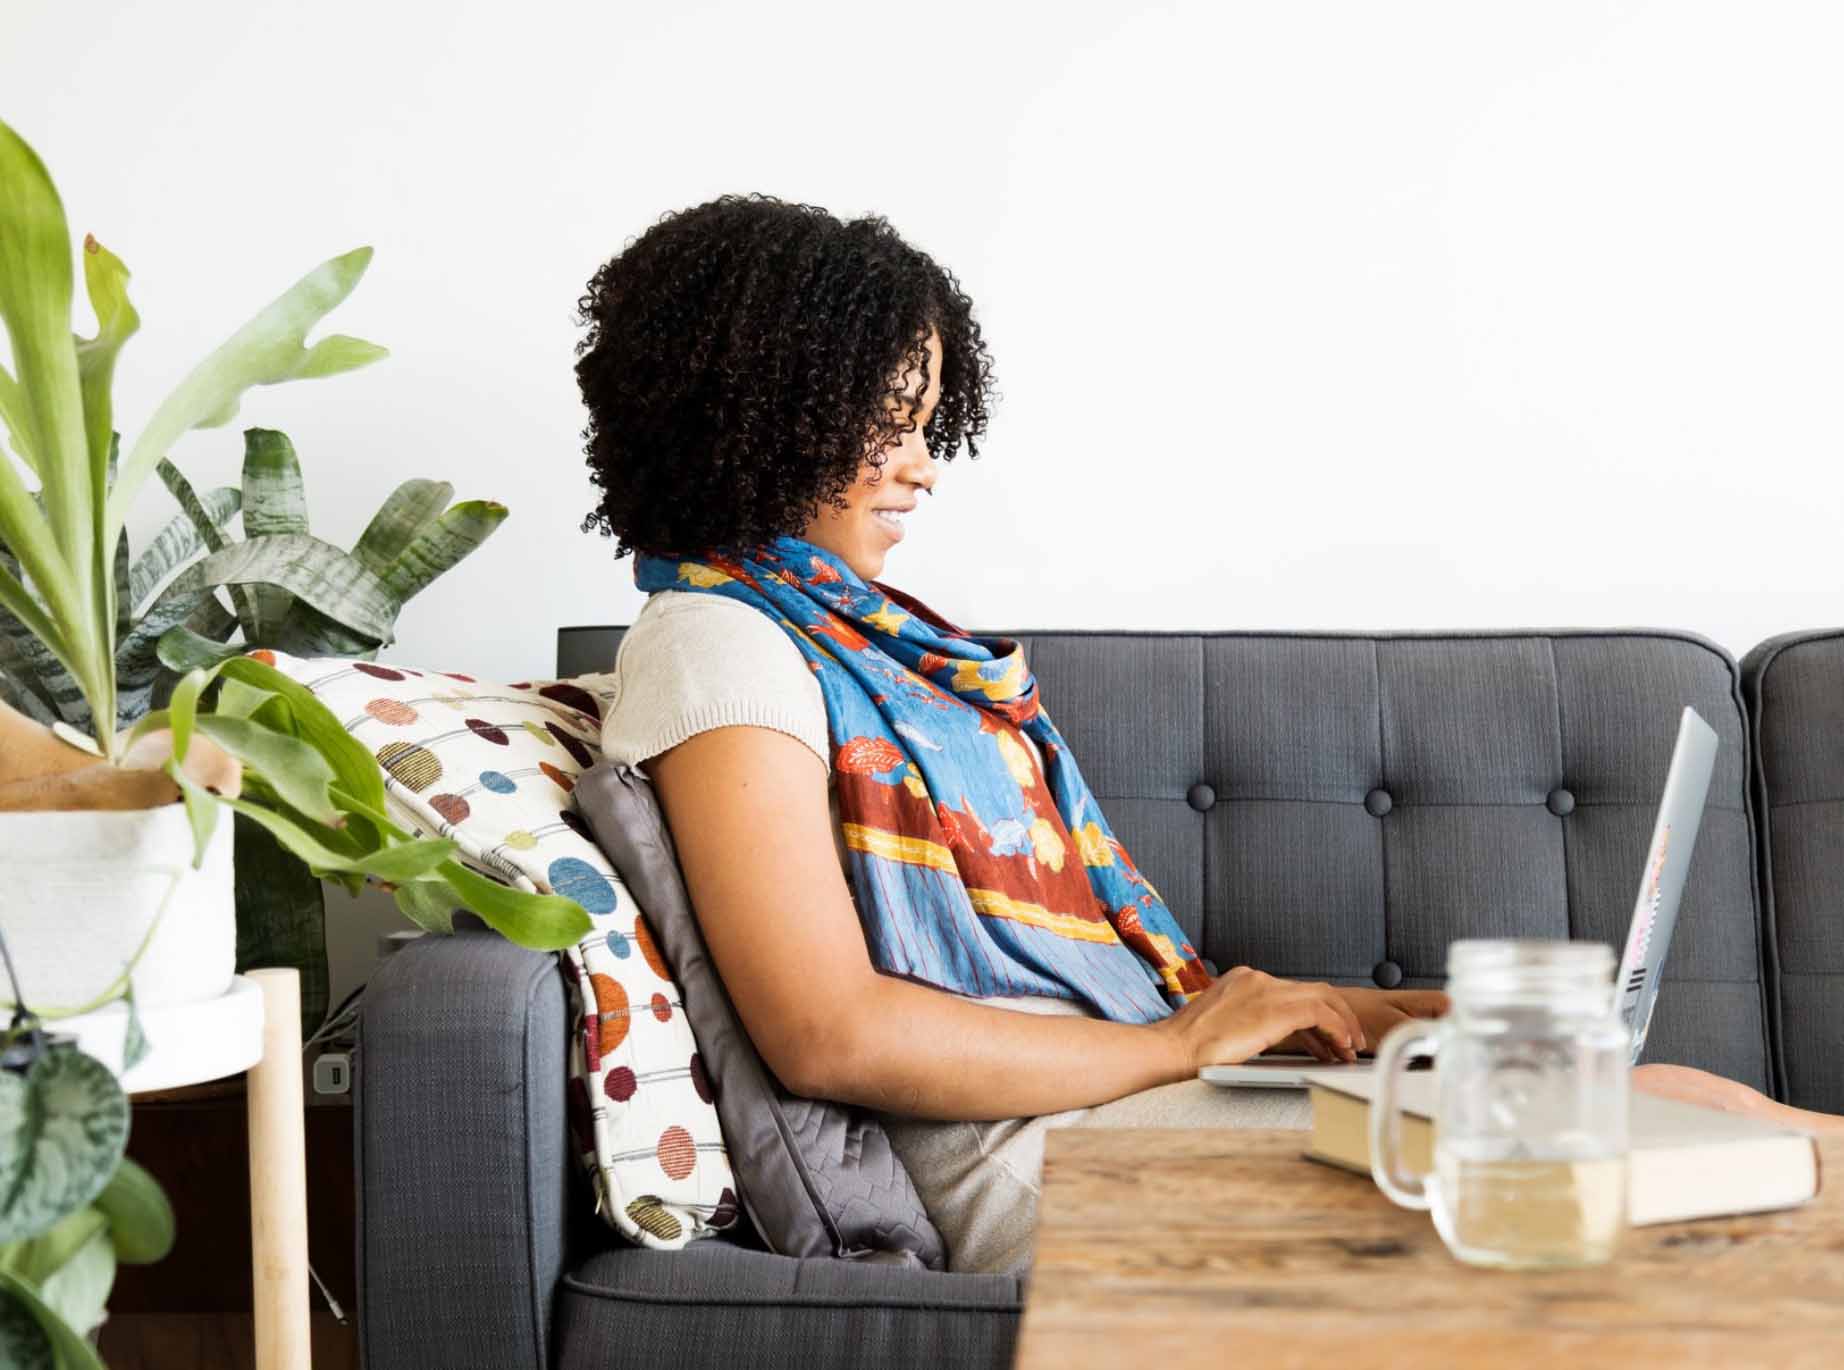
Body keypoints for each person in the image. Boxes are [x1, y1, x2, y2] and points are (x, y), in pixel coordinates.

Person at [574, 195, 1839, 1273]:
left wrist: (1362, 1009)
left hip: (1134, 1107)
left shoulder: (855, 641)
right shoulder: (720, 642)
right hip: (1050, 1167)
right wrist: (1177, 1040)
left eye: (924, 424)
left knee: (1699, 1109)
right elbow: (827, 1028)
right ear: (758, 412)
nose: (920, 469)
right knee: (1694, 1132)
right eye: (887, 423)